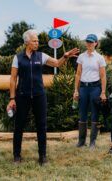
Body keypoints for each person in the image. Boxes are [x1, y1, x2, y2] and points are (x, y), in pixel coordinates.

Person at [6, 29, 79, 165]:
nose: (37, 43)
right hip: (22, 96)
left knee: (41, 126)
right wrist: (12, 98)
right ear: (27, 42)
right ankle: (16, 156)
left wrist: (66, 56)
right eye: (34, 41)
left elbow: (57, 63)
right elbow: (13, 79)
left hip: (39, 96)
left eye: (38, 41)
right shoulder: (18, 58)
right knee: (19, 126)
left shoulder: (41, 56)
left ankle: (43, 157)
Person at [73, 34, 107, 149]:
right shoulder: (81, 57)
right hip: (83, 88)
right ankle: (81, 141)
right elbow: (78, 74)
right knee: (82, 114)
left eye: (91, 42)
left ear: (96, 43)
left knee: (94, 114)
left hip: (95, 88)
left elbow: (103, 76)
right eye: (88, 41)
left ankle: (92, 142)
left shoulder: (100, 58)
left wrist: (103, 92)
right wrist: (75, 90)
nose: (89, 44)